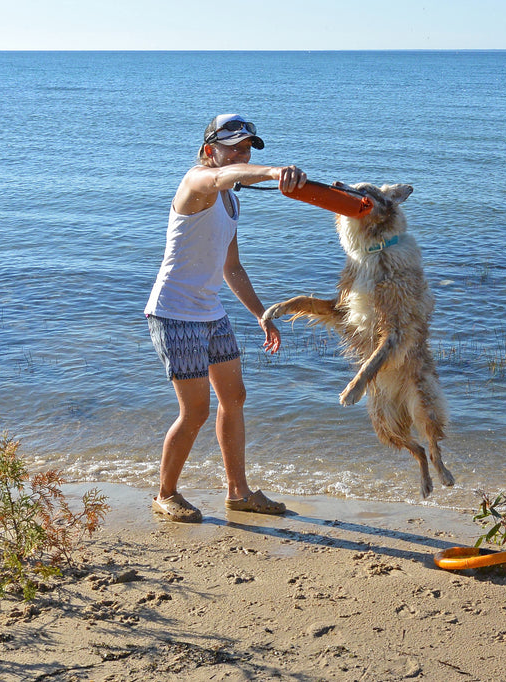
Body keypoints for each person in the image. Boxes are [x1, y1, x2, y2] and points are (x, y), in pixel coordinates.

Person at [144, 113, 306, 523]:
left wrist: (261, 315)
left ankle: (238, 493)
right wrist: (271, 171)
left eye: (247, 148)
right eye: (234, 147)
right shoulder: (197, 181)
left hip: (212, 312)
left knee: (234, 398)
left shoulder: (232, 201)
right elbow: (221, 177)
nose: (242, 154)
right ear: (207, 151)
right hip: (174, 313)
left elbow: (232, 268)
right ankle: (166, 494)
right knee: (195, 411)